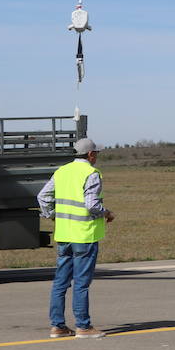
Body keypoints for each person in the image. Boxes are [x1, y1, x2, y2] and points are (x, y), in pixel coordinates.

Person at [37, 137, 115, 339]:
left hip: (64, 235)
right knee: (81, 282)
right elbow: (92, 205)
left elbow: (43, 197)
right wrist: (107, 213)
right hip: (84, 236)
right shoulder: (91, 173)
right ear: (90, 154)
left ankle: (58, 326)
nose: (97, 156)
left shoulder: (62, 171)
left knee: (60, 282)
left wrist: (52, 215)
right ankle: (83, 326)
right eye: (96, 153)